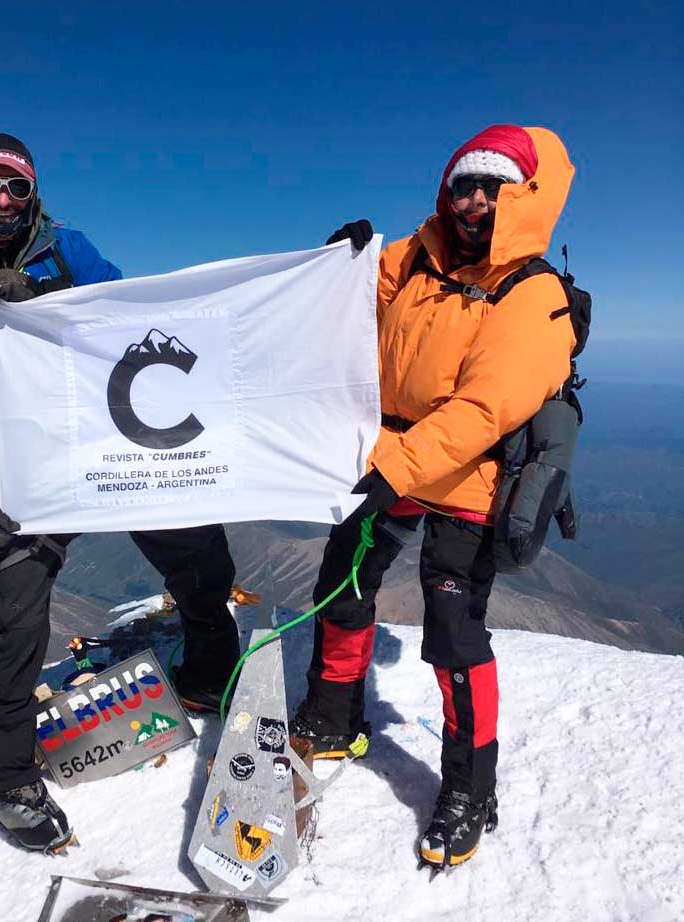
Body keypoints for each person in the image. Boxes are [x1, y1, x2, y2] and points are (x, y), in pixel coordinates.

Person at [0, 133, 240, 852]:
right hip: (22, 470)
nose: (1, 201)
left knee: (192, 544)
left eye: (16, 188)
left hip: (100, 443)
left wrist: (46, 297)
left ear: (34, 196)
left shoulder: (64, 248)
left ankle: (210, 664)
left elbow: (124, 314)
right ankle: (7, 777)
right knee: (19, 615)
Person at [292, 125, 577, 870]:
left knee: (452, 630)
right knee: (342, 584)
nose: (475, 199)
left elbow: (488, 408)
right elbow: (344, 300)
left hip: (468, 475)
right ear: (444, 192)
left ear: (522, 196)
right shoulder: (414, 259)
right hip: (388, 456)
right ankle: (332, 717)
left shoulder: (534, 293)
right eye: (463, 184)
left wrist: (397, 468)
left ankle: (468, 789)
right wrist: (336, 261)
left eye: (493, 186)